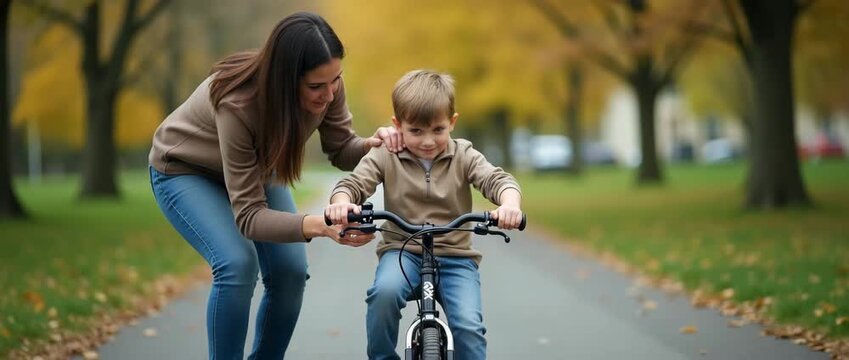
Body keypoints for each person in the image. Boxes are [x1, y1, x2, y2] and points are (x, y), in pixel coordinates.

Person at [148, 12, 403, 359]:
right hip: (185, 172)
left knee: (291, 271)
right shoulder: (238, 103)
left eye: (335, 81)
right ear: (285, 80)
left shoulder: (328, 85)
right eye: (316, 86)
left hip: (255, 170)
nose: (328, 95)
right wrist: (321, 225)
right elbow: (250, 217)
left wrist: (375, 146)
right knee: (236, 264)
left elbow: (341, 148)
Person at [325, 70, 524, 360]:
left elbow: (499, 181)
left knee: (469, 326)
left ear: (452, 122)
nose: (428, 141)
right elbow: (352, 185)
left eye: (438, 130)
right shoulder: (386, 154)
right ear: (397, 125)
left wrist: (510, 205)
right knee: (383, 294)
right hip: (401, 251)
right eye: (416, 131)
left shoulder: (464, 155)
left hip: (455, 256)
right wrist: (342, 203)